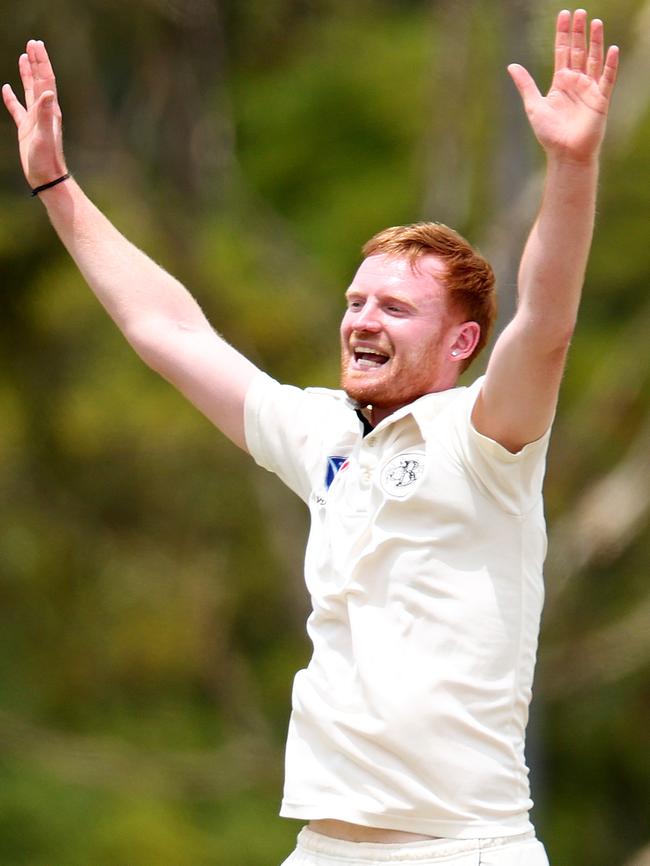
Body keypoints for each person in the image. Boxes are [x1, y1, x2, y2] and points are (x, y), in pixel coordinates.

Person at [3, 9, 618, 866]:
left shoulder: (487, 436)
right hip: (324, 849)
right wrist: (57, 187)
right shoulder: (321, 431)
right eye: (355, 302)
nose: (362, 320)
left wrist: (572, 163)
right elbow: (167, 331)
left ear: (461, 344)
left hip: (462, 849)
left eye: (395, 308)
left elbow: (545, 322)